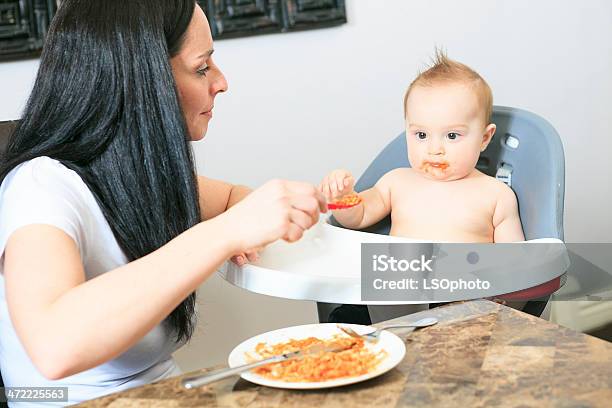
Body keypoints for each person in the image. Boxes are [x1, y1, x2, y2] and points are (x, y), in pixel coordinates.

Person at [0, 0, 325, 405]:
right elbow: (54, 345)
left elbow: (231, 199)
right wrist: (224, 234)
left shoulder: (133, 174)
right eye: (202, 67)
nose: (221, 82)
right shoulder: (39, 186)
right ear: (142, 80)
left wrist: (245, 221)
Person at [320, 52, 525, 243]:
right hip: (401, 279)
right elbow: (357, 217)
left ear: (484, 138)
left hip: (466, 279)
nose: (434, 149)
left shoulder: (496, 195)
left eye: (452, 135)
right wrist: (341, 198)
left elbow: (517, 262)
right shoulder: (396, 182)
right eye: (421, 135)